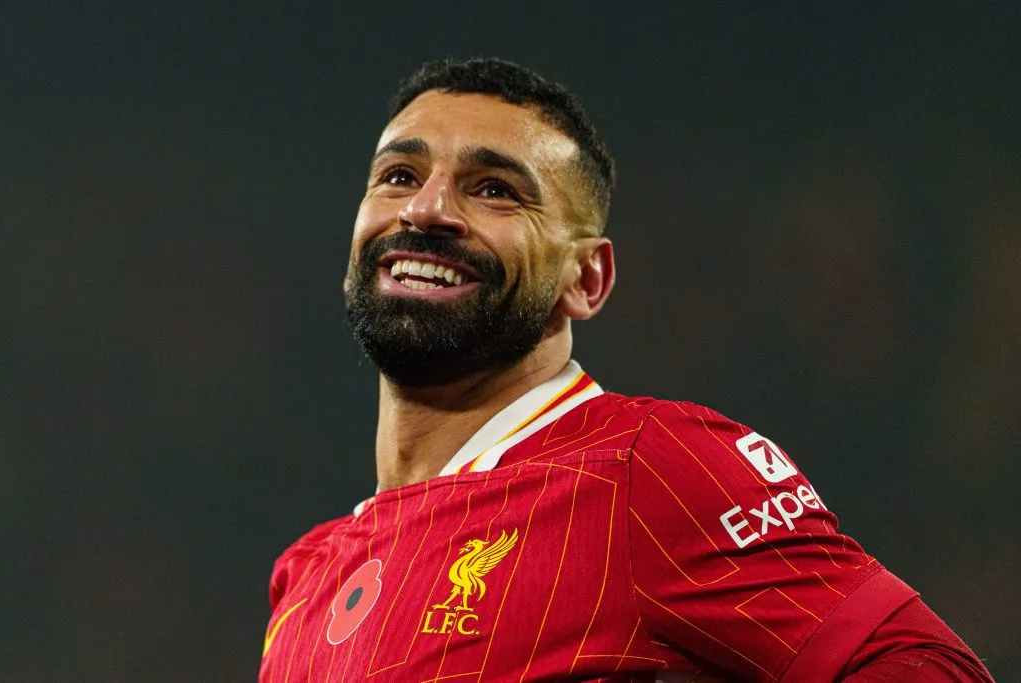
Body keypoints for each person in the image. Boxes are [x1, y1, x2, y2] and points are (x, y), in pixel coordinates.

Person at [259, 58, 993, 682]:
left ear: (587, 278)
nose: (427, 208)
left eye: (494, 189)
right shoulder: (306, 574)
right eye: (398, 174)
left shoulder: (650, 468)